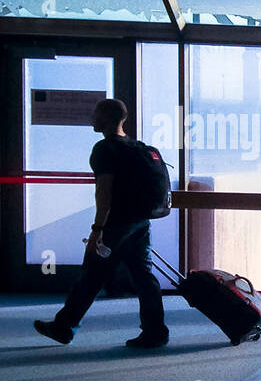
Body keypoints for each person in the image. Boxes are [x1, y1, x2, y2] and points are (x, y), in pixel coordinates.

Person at [34, 98, 169, 349]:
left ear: (106, 118)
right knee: (143, 276)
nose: (91, 118)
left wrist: (97, 230)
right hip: (140, 223)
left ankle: (64, 326)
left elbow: (104, 195)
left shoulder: (105, 149)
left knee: (93, 274)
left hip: (116, 224)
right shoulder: (137, 146)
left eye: (95, 114)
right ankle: (155, 331)